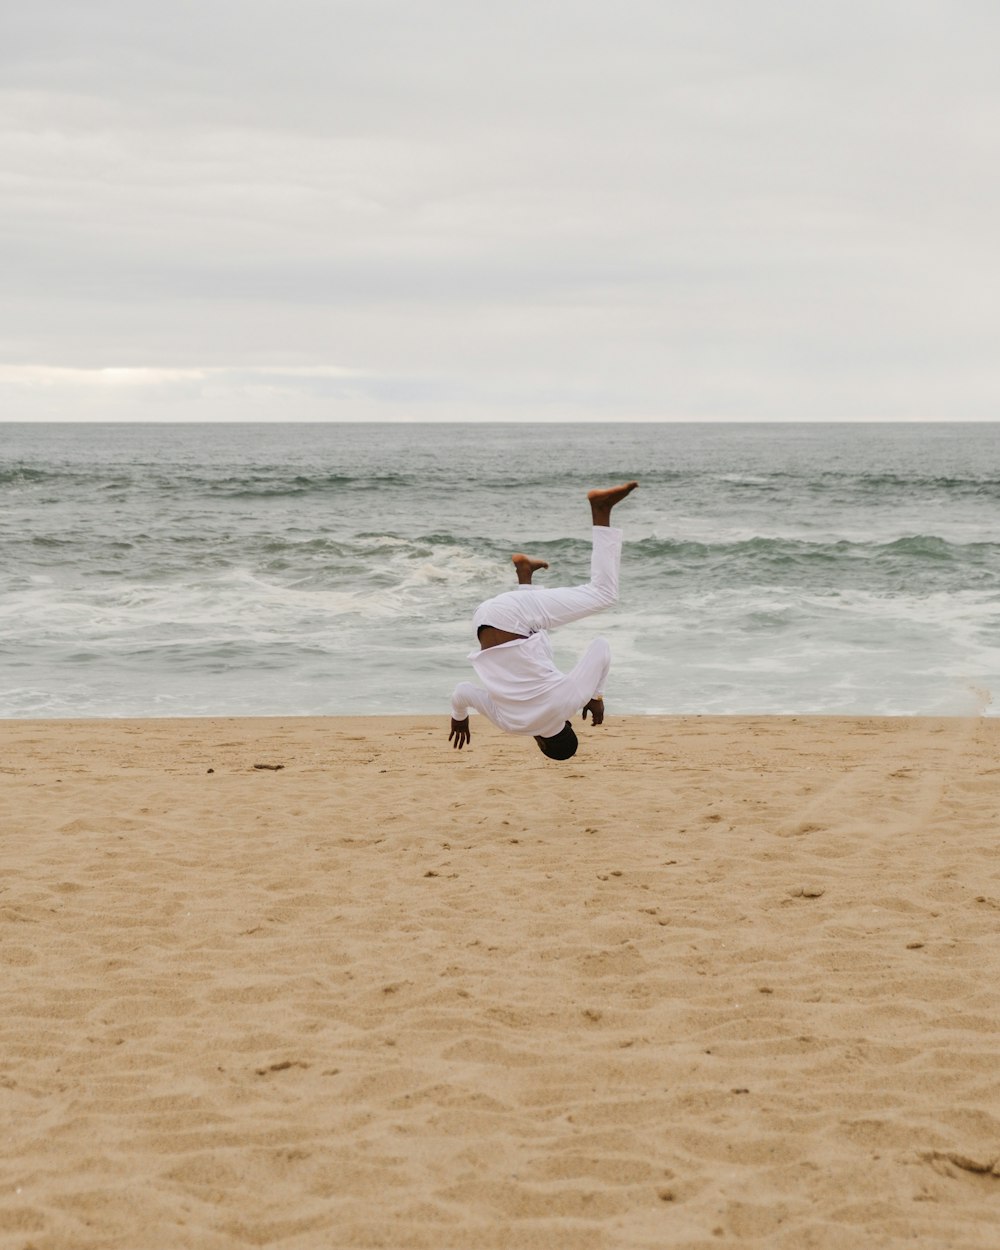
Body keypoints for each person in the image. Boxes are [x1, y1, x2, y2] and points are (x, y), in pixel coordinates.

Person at [448, 482, 638, 760]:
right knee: (540, 657)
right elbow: (462, 691)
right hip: (481, 619)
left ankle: (601, 509)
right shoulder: (509, 724)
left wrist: (596, 696)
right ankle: (525, 573)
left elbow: (601, 646)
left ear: (569, 726)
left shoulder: (568, 702)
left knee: (604, 596)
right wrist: (459, 717)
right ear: (541, 744)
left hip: (514, 614)